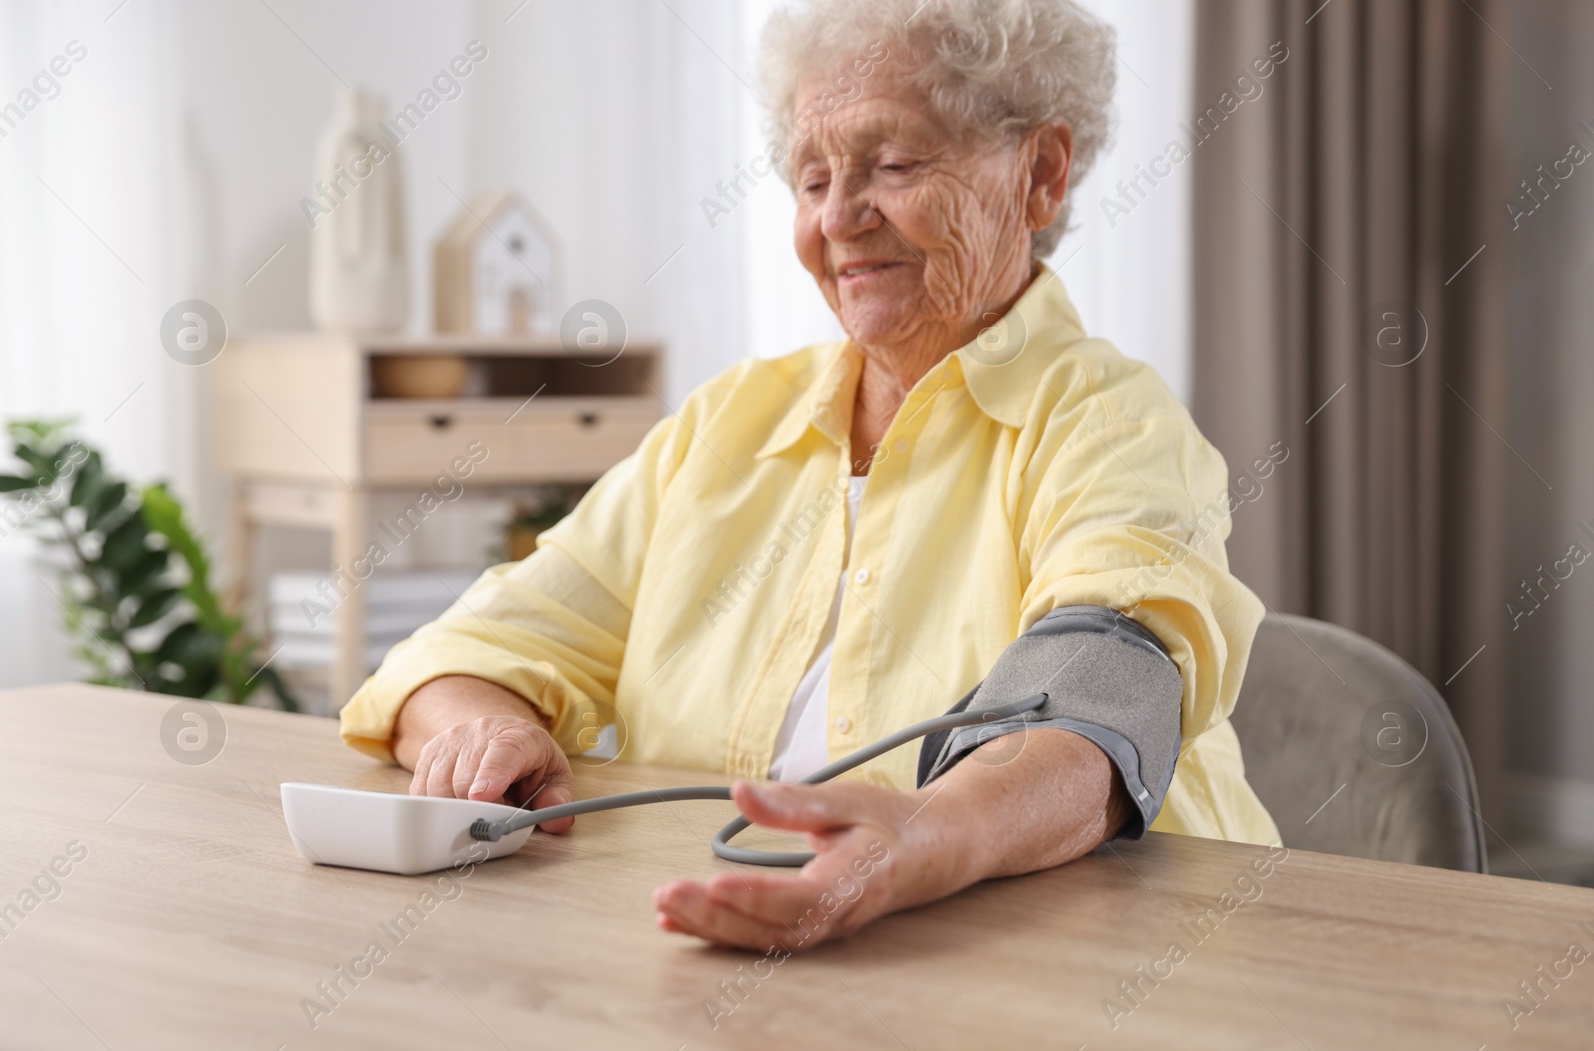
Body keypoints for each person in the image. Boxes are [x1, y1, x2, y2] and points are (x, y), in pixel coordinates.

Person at [339, 0, 1280, 951]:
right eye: (812, 176)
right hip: (727, 953)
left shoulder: (1112, 422)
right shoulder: (726, 427)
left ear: (1040, 175)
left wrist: (924, 833)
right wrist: (480, 733)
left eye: (894, 166)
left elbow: (1105, 688)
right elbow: (461, 654)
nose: (838, 218)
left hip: (1083, 966)